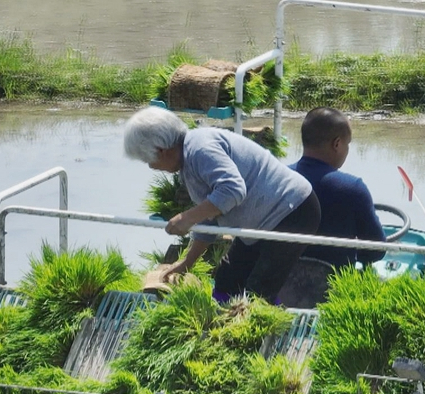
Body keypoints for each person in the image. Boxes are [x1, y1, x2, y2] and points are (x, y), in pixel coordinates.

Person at [124, 107, 320, 304]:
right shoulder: (188, 162)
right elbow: (210, 216)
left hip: (292, 211)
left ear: (161, 151)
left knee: (260, 290)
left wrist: (187, 217)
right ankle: (220, 323)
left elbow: (233, 190)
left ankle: (266, 331)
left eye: (149, 160)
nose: (152, 167)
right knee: (227, 279)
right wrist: (186, 262)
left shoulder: (200, 149)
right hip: (260, 222)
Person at [289, 107, 385, 270]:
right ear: (337, 144)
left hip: (282, 284)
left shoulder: (279, 179)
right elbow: (375, 251)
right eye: (347, 144)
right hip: (336, 287)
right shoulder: (352, 188)